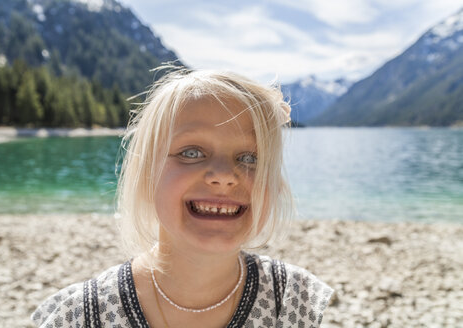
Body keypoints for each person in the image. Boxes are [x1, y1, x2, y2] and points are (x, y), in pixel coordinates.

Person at [31, 67, 333, 327]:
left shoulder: (293, 302)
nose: (224, 175)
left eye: (250, 158)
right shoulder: (84, 314)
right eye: (191, 153)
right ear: (145, 175)